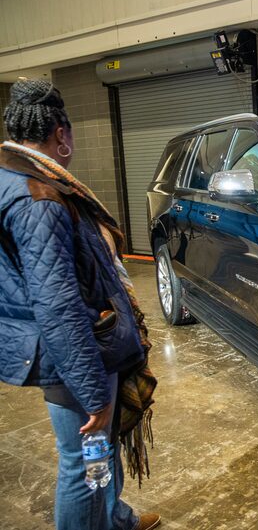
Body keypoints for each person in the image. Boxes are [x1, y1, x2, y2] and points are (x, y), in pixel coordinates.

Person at [0, 79, 161, 529]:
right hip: (71, 352)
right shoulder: (39, 199)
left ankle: (115, 519)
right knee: (84, 463)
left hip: (60, 346)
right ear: (61, 136)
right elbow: (56, 303)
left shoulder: (11, 177)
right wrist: (93, 392)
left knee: (98, 453)